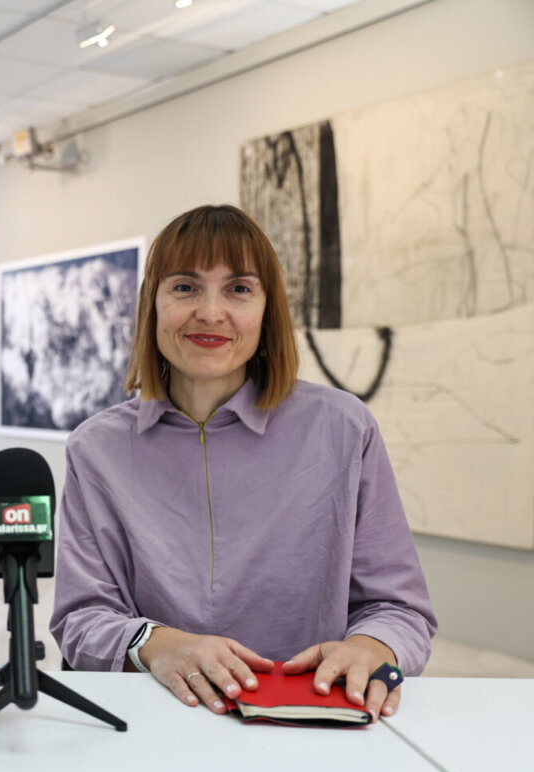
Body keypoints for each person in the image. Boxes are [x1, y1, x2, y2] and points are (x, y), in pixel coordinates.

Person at [50, 205, 436, 722]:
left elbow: (399, 608)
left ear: (267, 310)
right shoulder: (95, 448)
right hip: (156, 722)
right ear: (152, 305)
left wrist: (371, 647)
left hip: (312, 725)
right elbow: (81, 619)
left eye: (238, 289)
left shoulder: (344, 429)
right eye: (185, 287)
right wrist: (154, 643)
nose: (211, 312)